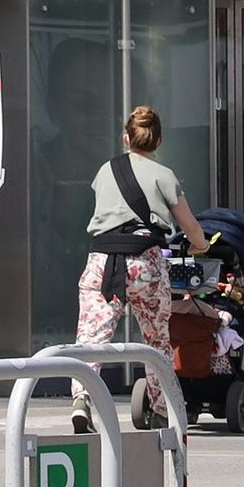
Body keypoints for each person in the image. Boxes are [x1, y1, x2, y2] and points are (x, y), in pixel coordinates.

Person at [80, 104, 212, 427]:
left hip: (102, 261)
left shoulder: (104, 171)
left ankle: (81, 399)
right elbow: (190, 225)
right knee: (156, 340)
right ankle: (160, 406)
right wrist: (201, 245)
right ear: (160, 140)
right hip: (145, 263)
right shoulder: (165, 176)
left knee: (92, 338)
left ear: (125, 138)